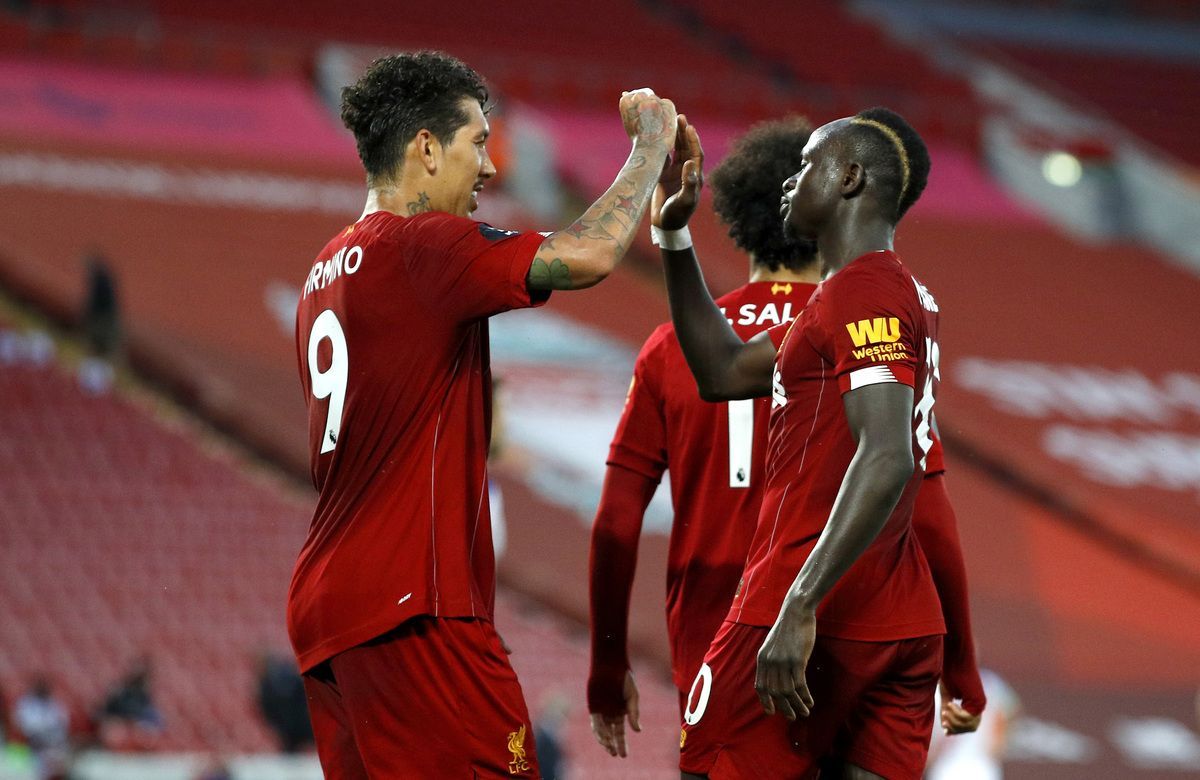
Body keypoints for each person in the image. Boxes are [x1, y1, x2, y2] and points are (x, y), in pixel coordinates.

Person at [290, 50, 677, 778]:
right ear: (426, 148)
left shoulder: (324, 272)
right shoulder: (421, 247)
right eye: (477, 142)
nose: (492, 167)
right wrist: (649, 148)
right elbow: (589, 255)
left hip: (330, 609)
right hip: (414, 602)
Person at [588, 115, 988, 764]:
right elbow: (723, 373)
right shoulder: (857, 299)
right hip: (889, 616)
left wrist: (799, 603)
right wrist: (672, 234)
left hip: (789, 604)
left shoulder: (866, 295)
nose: (792, 182)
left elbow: (889, 456)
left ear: (849, 179)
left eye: (807, 167)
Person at [587, 117, 822, 758]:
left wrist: (607, 664)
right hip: (823, 620)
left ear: (737, 217)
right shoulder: (857, 335)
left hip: (710, 629)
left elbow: (615, 523)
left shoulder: (672, 348)